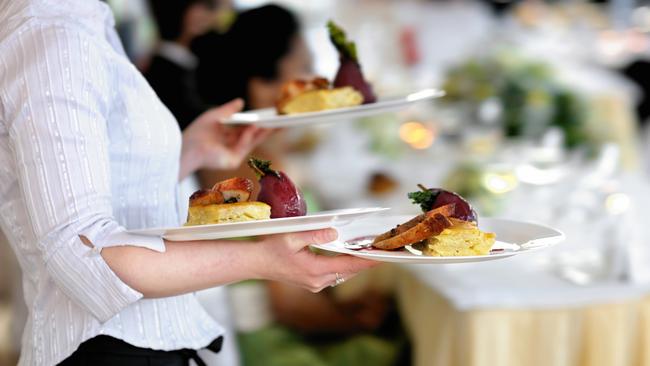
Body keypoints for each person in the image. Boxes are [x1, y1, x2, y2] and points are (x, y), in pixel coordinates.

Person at [0, 1, 376, 365]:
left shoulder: (83, 23)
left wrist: (188, 154)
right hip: (111, 349)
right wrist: (263, 259)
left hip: (144, 345)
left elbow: (109, 202)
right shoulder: (52, 37)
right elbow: (84, 254)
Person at [144, 0, 216, 130]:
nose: (205, 14)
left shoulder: (196, 56)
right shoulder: (161, 65)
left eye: (208, 7)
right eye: (198, 6)